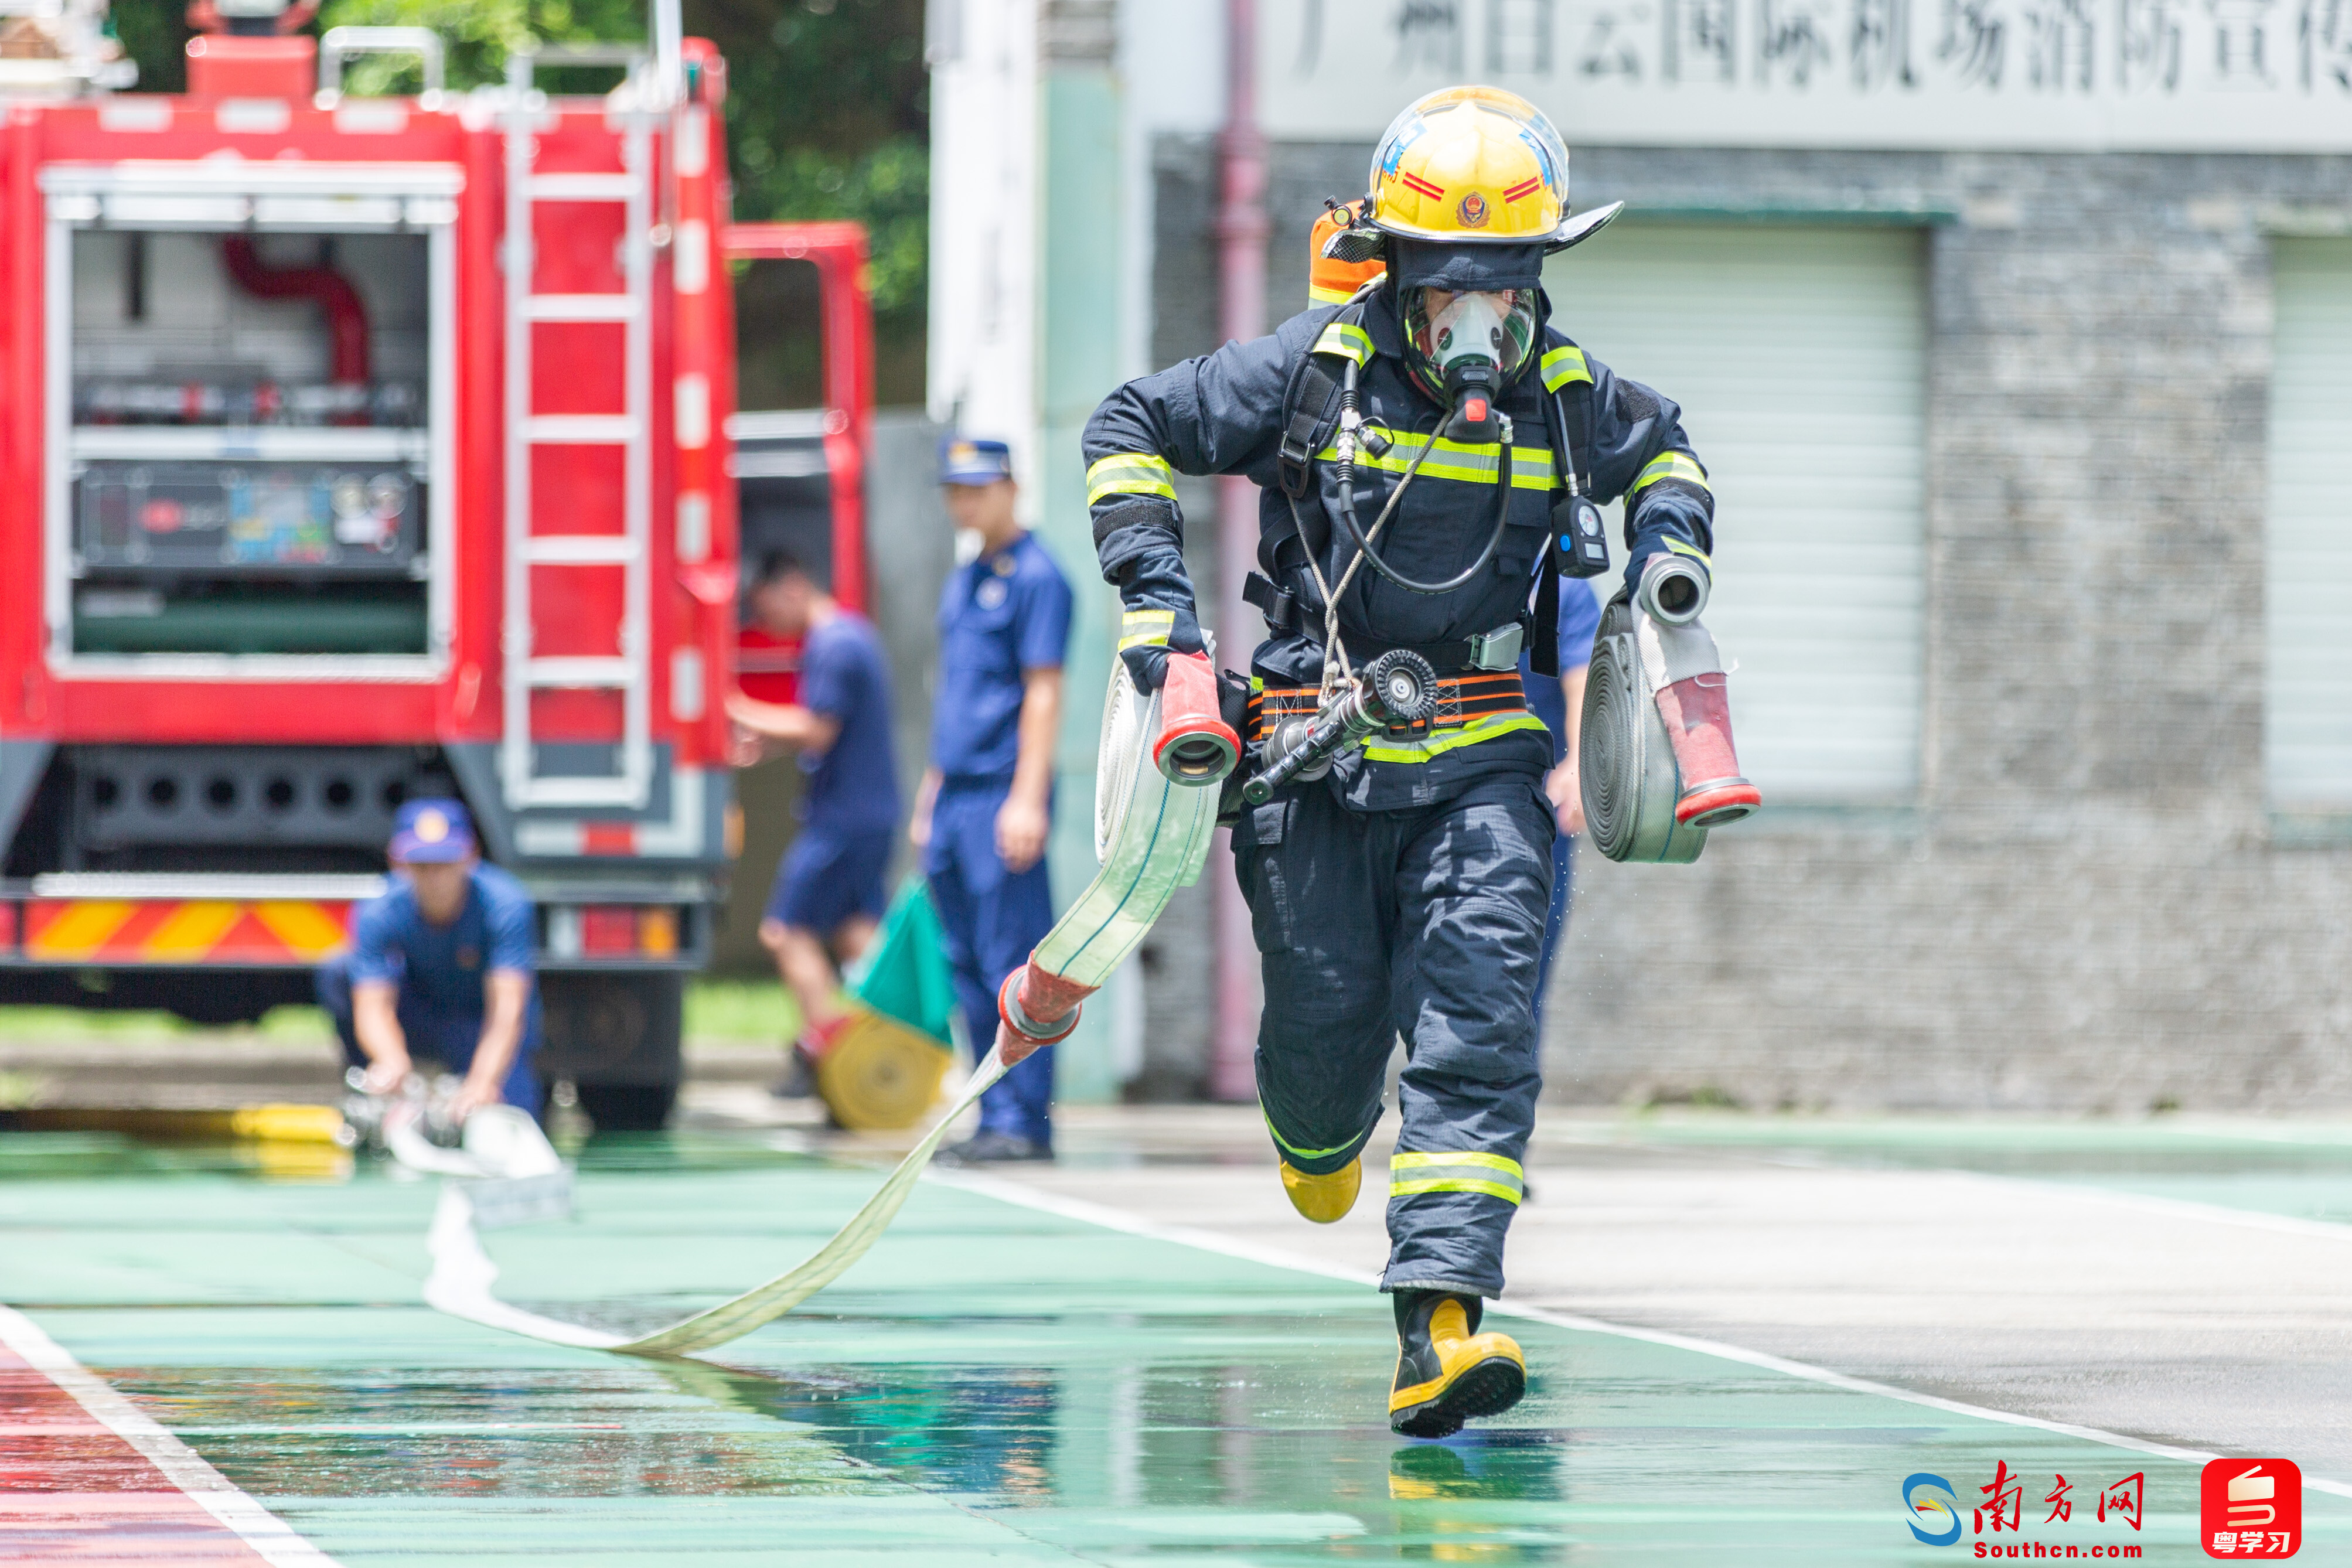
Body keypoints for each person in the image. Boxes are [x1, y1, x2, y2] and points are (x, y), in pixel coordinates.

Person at [1080, 86, 1714, 1436]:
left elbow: (1669, 452)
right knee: (1322, 1067)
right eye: (1448, 285)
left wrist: (1668, 552)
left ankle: (1439, 1322)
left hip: (1485, 760)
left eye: (1504, 282)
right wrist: (1161, 623)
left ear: (1537, 274)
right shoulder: (1307, 371)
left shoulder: (1558, 392)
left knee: (1476, 1036)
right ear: (1398, 271)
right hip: (1311, 764)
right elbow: (1124, 428)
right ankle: (1315, 1130)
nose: (1475, 316)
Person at [914, 438, 1073, 1164]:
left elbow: (1042, 692)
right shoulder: (965, 576)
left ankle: (1024, 1120)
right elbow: (955, 695)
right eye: (956, 490)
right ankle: (989, 1111)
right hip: (955, 794)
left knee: (1014, 959)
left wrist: (1028, 799)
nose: (965, 502)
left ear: (1012, 486)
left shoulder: (1039, 578)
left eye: (978, 488)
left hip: (1001, 793)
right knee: (963, 960)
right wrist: (932, 790)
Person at [725, 552, 901, 1089]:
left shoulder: (834, 644)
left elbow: (819, 730)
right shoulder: (848, 637)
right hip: (864, 813)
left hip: (842, 819)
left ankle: (829, 1050)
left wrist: (735, 707)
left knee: (784, 932)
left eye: (766, 608)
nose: (768, 625)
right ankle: (896, 1041)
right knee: (856, 933)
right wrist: (772, 744)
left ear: (793, 586)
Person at [318, 799, 543, 1119]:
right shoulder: (378, 911)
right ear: (399, 863)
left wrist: (482, 1082)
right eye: (422, 865)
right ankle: (378, 1097)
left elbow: (508, 1009)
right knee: (339, 970)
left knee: (513, 1112)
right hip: (418, 1015)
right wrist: (391, 1060)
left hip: (477, 1021)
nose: (434, 878)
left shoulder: (505, 904)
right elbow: (372, 1005)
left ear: (470, 857)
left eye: (445, 864)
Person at [1522, 575, 1605, 1028]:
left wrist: (1577, 766)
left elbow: (1583, 680)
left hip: (1539, 797)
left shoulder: (1562, 581)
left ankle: (1514, 1091)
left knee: (1527, 960)